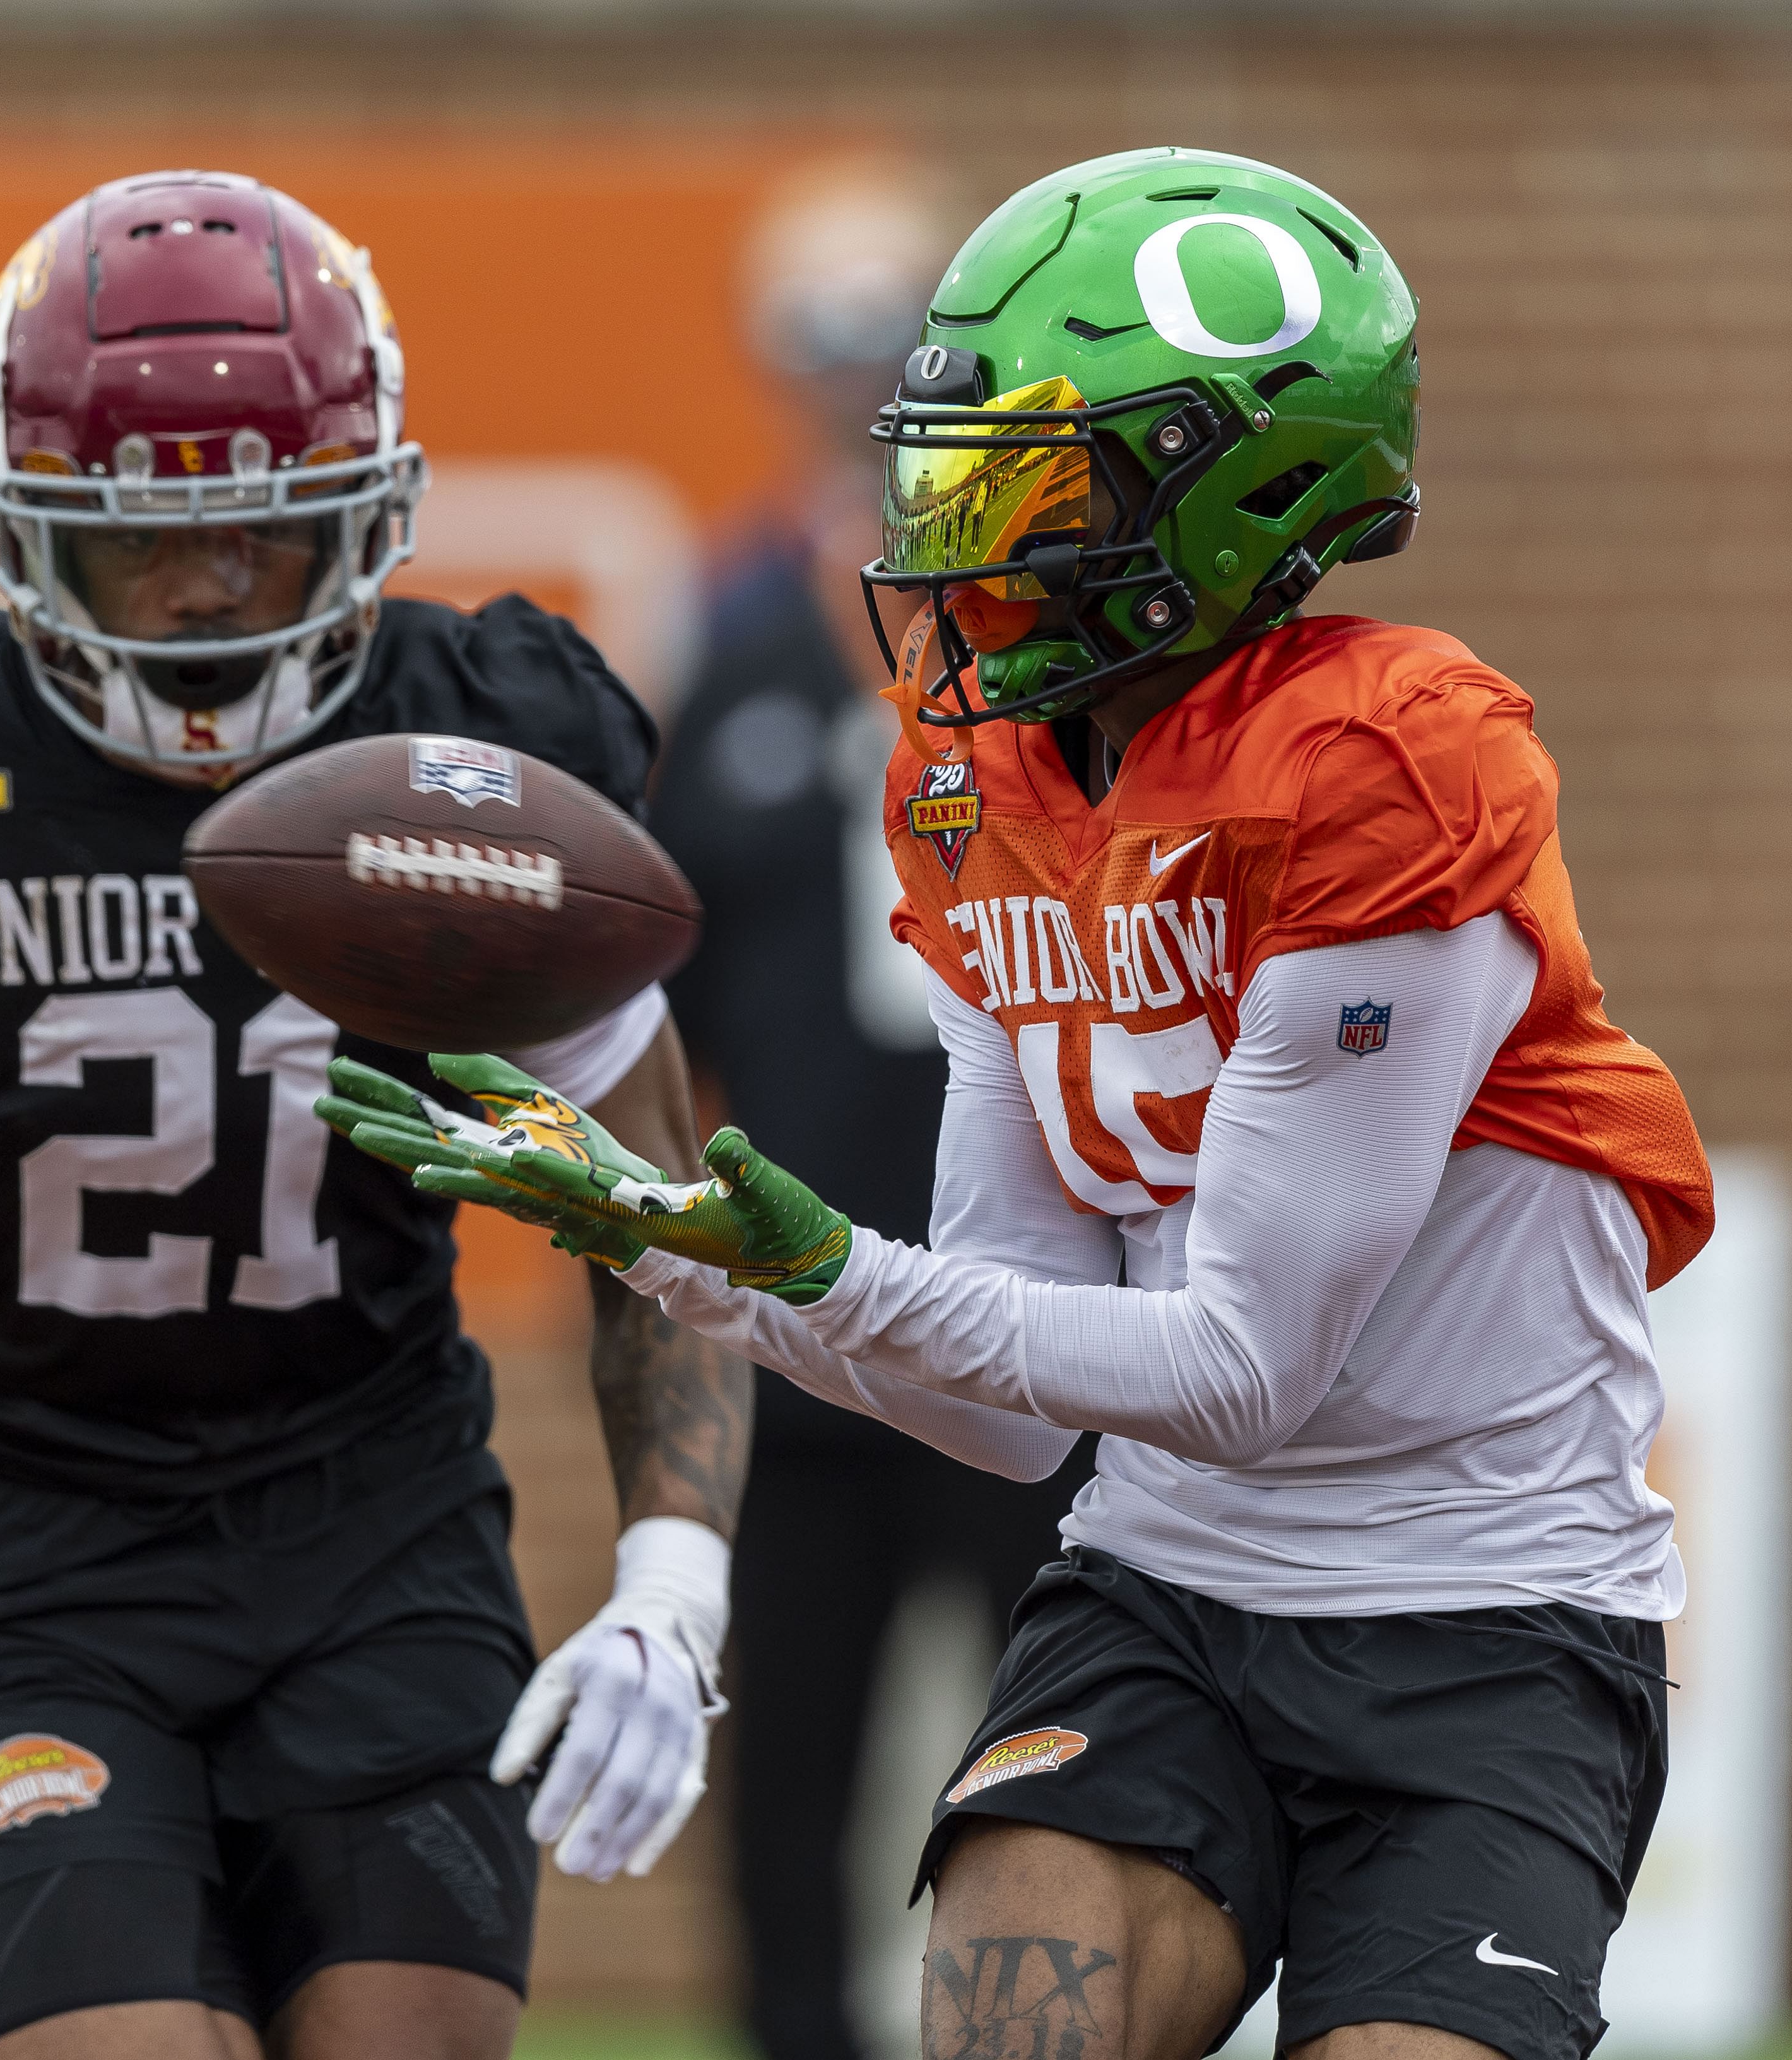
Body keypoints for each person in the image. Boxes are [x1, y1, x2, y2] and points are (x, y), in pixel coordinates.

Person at [323, 147, 1714, 2060]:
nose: (961, 530)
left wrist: (809, 1261)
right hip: (1166, 1594)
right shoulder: (987, 774)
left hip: (1481, 1622)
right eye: (953, 465)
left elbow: (1238, 1367)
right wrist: (698, 1268)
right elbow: (991, 1407)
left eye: (1033, 478)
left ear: (1233, 490)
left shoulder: (1385, 761)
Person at [0, 170, 748, 2060]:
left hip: (375, 1526)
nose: (198, 592)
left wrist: (672, 1576)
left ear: (363, 518)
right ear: (20, 534)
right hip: (42, 1547)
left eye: (262, 534)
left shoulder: (466, 744)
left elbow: (652, 1190)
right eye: (139, 543)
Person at [647, 163, 1086, 2060]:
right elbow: (667, 967)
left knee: (1063, 1735)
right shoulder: (735, 621)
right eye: (826, 341)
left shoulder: (1062, 621)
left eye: (893, 334)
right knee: (793, 1759)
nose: (860, 379)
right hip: (808, 1292)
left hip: (1027, 1289)